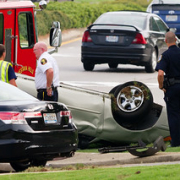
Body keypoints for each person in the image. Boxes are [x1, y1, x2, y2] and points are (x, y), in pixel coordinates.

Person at [155, 31, 180, 147]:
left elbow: (160, 74)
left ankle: (176, 142)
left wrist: (161, 86)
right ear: (176, 40)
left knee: (174, 115)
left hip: (173, 89)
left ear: (166, 41)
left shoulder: (165, 55)